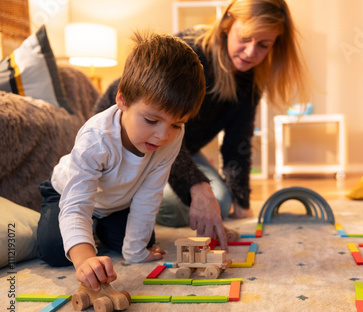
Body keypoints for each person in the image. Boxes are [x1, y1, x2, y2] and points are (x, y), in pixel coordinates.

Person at [93, 0, 309, 246]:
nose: (251, 52)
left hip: (175, 146)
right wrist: (196, 187)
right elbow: (156, 121)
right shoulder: (191, 51)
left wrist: (242, 202)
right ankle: (120, 203)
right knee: (177, 205)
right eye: (245, 38)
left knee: (221, 201)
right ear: (227, 25)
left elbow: (237, 143)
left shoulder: (250, 80)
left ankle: (133, 198)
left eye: (263, 45)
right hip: (131, 140)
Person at [36, 31, 206, 291]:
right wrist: (85, 259)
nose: (162, 136)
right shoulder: (96, 139)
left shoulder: (173, 136)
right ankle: (89, 230)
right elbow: (77, 203)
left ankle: (98, 228)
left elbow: (149, 195)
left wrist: (136, 252)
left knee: (142, 240)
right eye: (151, 120)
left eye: (176, 124)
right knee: (56, 250)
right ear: (122, 99)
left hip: (115, 203)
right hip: (66, 193)